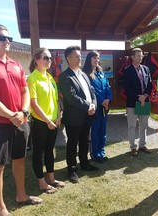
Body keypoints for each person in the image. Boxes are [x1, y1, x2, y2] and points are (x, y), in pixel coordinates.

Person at [0, 24, 42, 216]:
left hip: (21, 121)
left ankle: (21, 195)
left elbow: (25, 90)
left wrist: (23, 112)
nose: (7, 42)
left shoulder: (16, 65)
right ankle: (0, 208)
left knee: (19, 160)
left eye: (9, 39)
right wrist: (12, 116)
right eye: (2, 38)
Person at [58, 46, 98, 184]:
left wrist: (93, 104)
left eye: (80, 56)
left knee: (84, 141)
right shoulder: (65, 76)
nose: (80, 58)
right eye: (76, 56)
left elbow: (91, 92)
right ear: (68, 58)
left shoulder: (84, 74)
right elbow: (71, 97)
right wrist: (88, 106)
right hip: (74, 117)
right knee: (72, 143)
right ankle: (72, 169)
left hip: (87, 115)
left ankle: (85, 164)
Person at [27, 48, 65, 194]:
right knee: (38, 152)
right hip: (40, 122)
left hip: (54, 121)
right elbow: (33, 104)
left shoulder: (50, 78)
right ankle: (42, 183)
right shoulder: (32, 78)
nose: (49, 60)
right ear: (36, 60)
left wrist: (59, 116)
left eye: (50, 58)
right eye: (45, 58)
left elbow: (55, 100)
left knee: (50, 150)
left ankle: (51, 178)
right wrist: (48, 121)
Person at [82, 51, 112, 163]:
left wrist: (108, 99)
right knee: (94, 131)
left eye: (98, 58)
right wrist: (100, 101)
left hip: (104, 107)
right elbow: (91, 91)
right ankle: (95, 154)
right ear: (89, 59)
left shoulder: (101, 72)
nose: (96, 60)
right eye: (94, 58)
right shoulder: (85, 74)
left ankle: (101, 152)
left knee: (102, 131)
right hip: (94, 107)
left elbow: (107, 87)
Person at [123, 48, 152, 156]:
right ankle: (133, 147)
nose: (141, 57)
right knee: (132, 125)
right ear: (132, 57)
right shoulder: (127, 70)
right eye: (138, 55)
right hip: (132, 103)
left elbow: (149, 84)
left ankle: (142, 145)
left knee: (144, 124)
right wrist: (138, 97)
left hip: (145, 101)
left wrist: (145, 96)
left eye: (141, 55)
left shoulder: (146, 69)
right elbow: (127, 88)